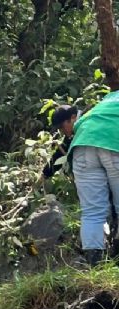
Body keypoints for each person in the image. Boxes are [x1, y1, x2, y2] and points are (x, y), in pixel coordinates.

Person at [69, 90, 119, 266]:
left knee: (92, 212)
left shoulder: (107, 99)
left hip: (82, 145)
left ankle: (95, 264)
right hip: (114, 143)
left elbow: (79, 125)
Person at [43, 105, 78, 178]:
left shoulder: (85, 128)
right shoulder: (70, 137)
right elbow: (57, 156)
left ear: (73, 117)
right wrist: (44, 175)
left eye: (62, 127)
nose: (62, 131)